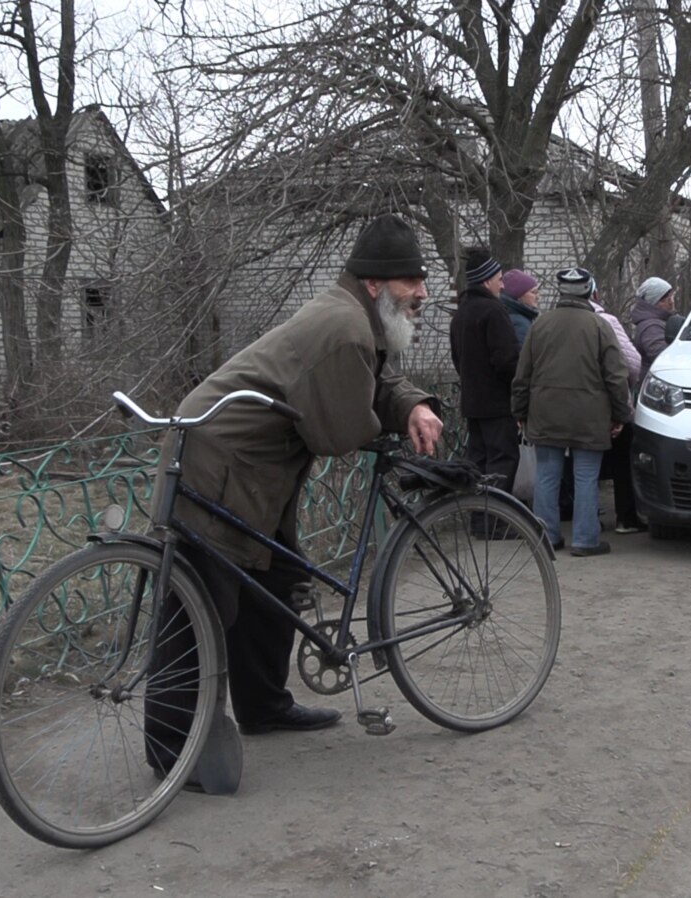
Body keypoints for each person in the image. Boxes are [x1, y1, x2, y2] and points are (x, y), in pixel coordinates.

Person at [145, 213, 444, 785]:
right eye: (412, 281)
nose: (423, 293)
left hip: (254, 471)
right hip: (220, 466)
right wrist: (382, 430)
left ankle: (264, 707)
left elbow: (370, 380)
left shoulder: (354, 315)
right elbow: (335, 432)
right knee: (198, 609)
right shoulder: (347, 325)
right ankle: (172, 754)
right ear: (377, 283)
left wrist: (412, 406)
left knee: (278, 581)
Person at [513, 267, 632, 557]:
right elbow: (616, 376)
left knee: (547, 475)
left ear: (561, 291)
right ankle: (585, 540)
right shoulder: (600, 326)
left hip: (545, 412)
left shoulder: (540, 325)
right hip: (589, 416)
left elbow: (523, 373)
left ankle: (546, 537)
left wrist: (520, 410)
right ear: (589, 290)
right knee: (586, 476)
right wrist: (620, 414)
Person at [450, 247, 522, 496]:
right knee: (501, 461)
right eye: (500, 279)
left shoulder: (461, 313)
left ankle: (478, 517)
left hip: (473, 403)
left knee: (478, 462)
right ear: (487, 280)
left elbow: (457, 359)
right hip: (497, 404)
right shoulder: (493, 311)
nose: (502, 286)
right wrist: (517, 387)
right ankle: (495, 520)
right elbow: (507, 360)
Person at [591, 286, 644, 534]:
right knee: (623, 461)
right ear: (594, 294)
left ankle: (588, 521)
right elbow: (632, 363)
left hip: (574, 408)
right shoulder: (606, 321)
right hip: (610, 402)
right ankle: (626, 518)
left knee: (584, 466)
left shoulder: (549, 322)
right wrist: (624, 401)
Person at [629, 277, 676, 371]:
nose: (672, 302)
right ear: (657, 301)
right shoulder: (651, 328)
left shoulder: (655, 322)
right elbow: (665, 360)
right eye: (669, 298)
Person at [500, 268, 541, 347]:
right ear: (519, 295)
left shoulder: (512, 316)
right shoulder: (520, 324)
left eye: (537, 292)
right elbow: (520, 357)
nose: (538, 296)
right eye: (533, 292)